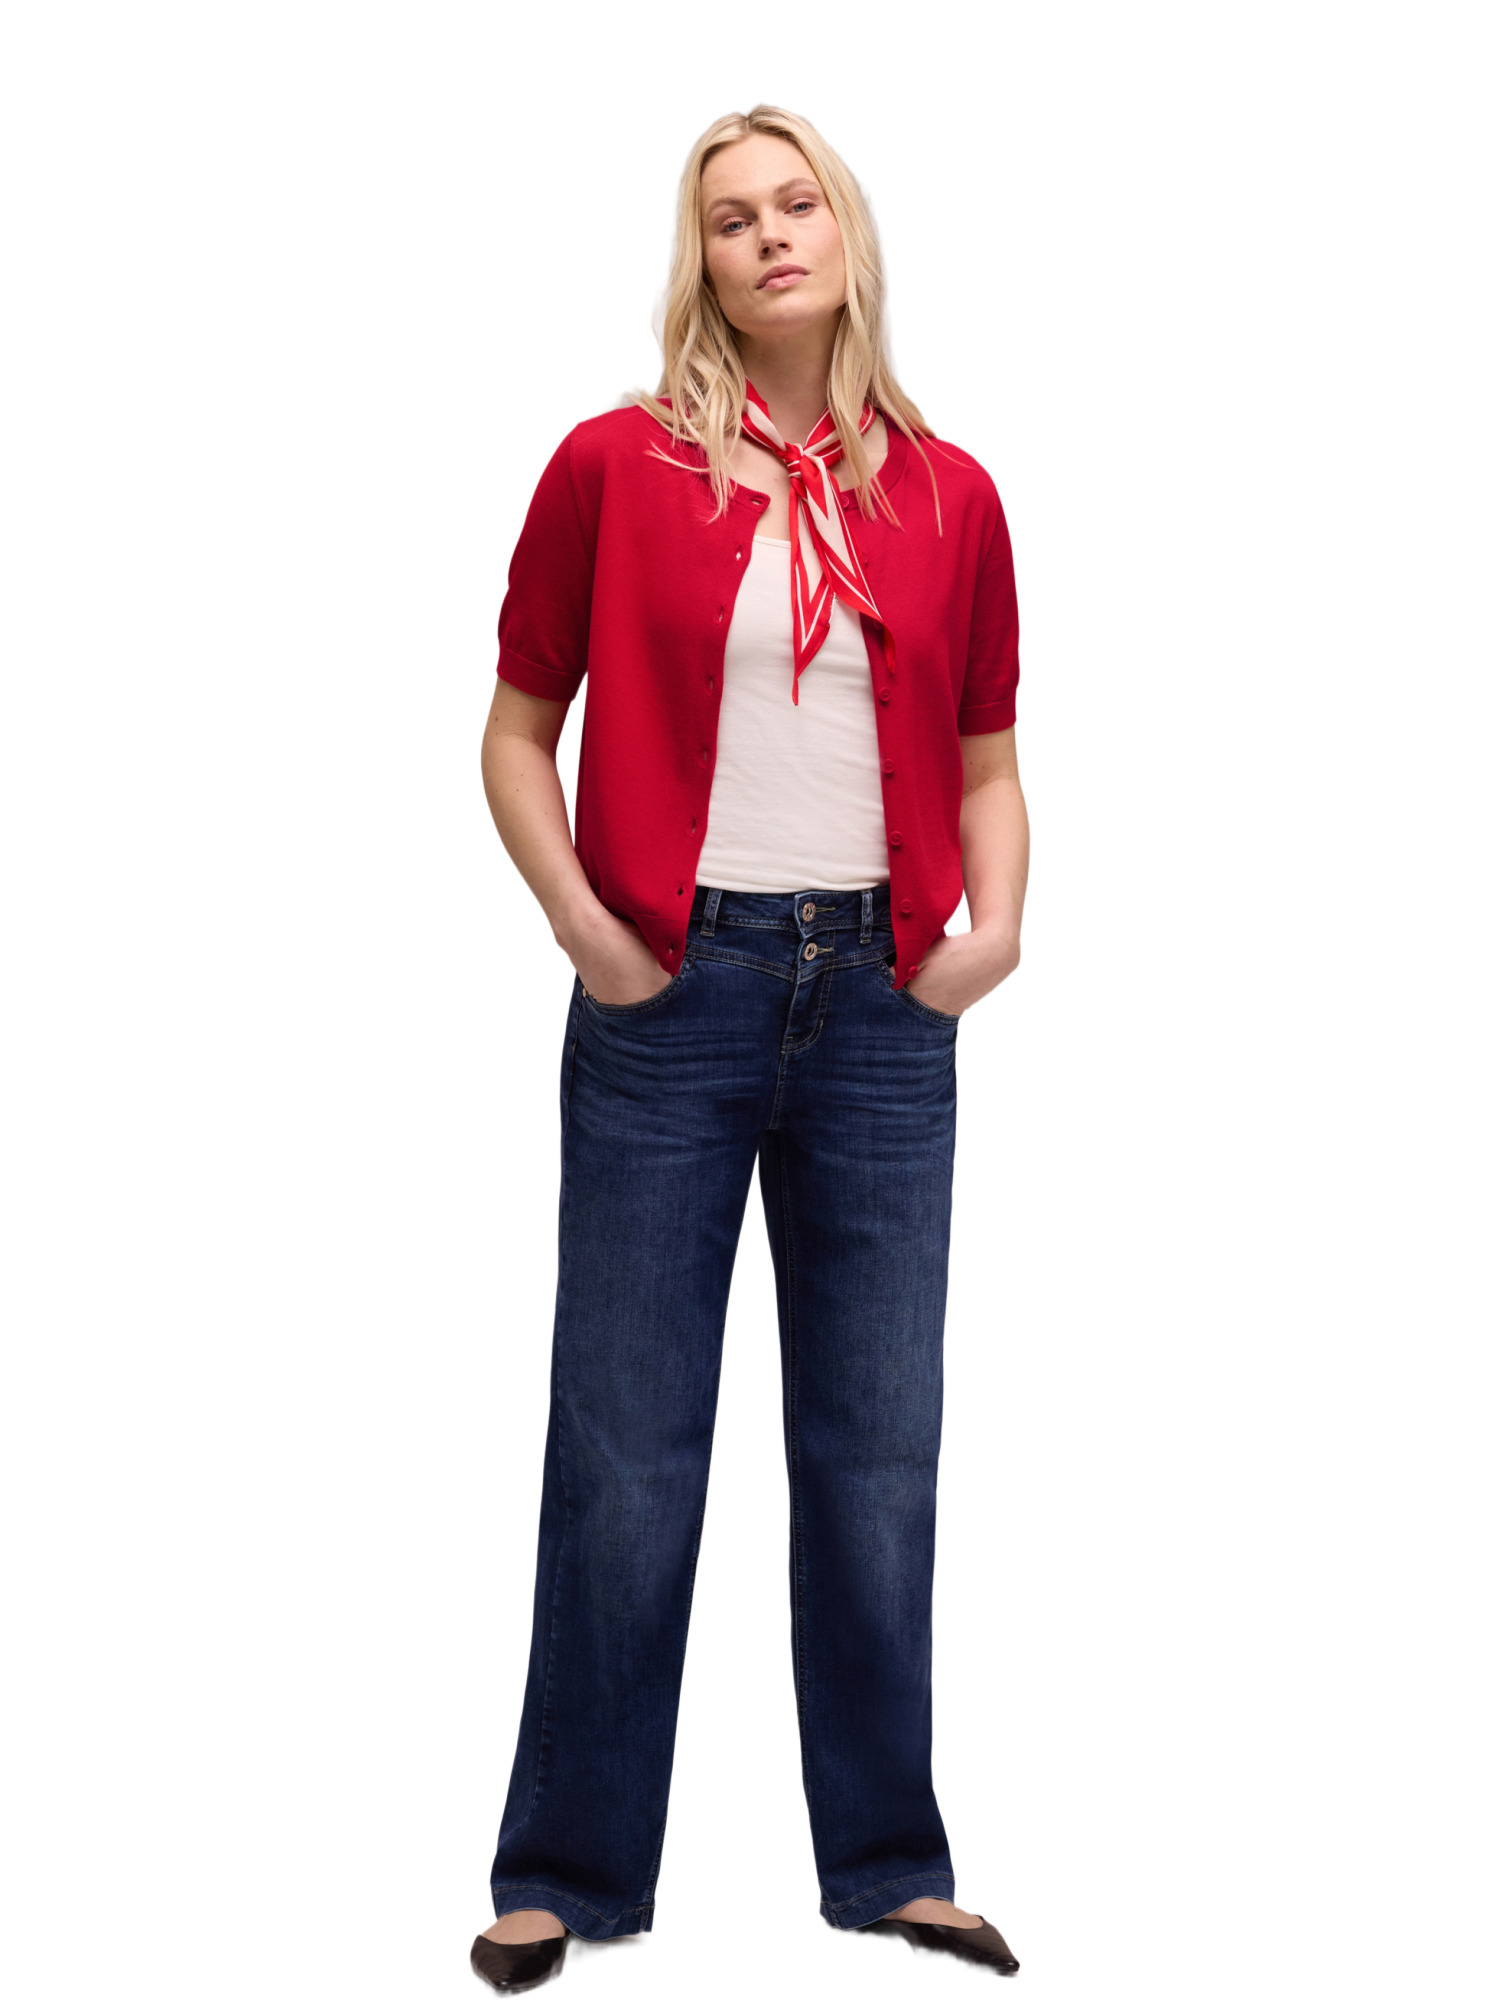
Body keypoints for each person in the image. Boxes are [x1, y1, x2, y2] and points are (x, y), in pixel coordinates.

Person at [470, 104, 1029, 1993]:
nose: (770, 236)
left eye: (799, 205)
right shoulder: (613, 468)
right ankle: (564, 1873)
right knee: (626, 1448)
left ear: (848, 236)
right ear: (698, 263)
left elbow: (989, 760)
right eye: (731, 219)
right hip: (673, 996)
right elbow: (513, 732)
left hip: (881, 1007)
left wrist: (994, 935)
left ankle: (890, 1865)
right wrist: (587, 931)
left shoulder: (949, 496)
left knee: (877, 1454)